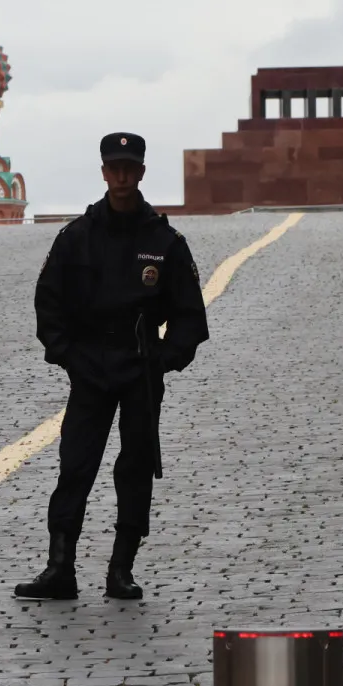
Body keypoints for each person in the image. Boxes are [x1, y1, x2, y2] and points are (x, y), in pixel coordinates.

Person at [21, 133, 208, 601]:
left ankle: (121, 569)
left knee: (136, 467)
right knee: (75, 466)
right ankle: (59, 568)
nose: (122, 176)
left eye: (130, 168)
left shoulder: (165, 242)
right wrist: (66, 353)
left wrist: (165, 358)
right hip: (89, 366)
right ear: (104, 172)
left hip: (140, 367)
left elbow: (189, 315)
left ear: (140, 173)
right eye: (114, 168)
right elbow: (48, 300)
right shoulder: (76, 237)